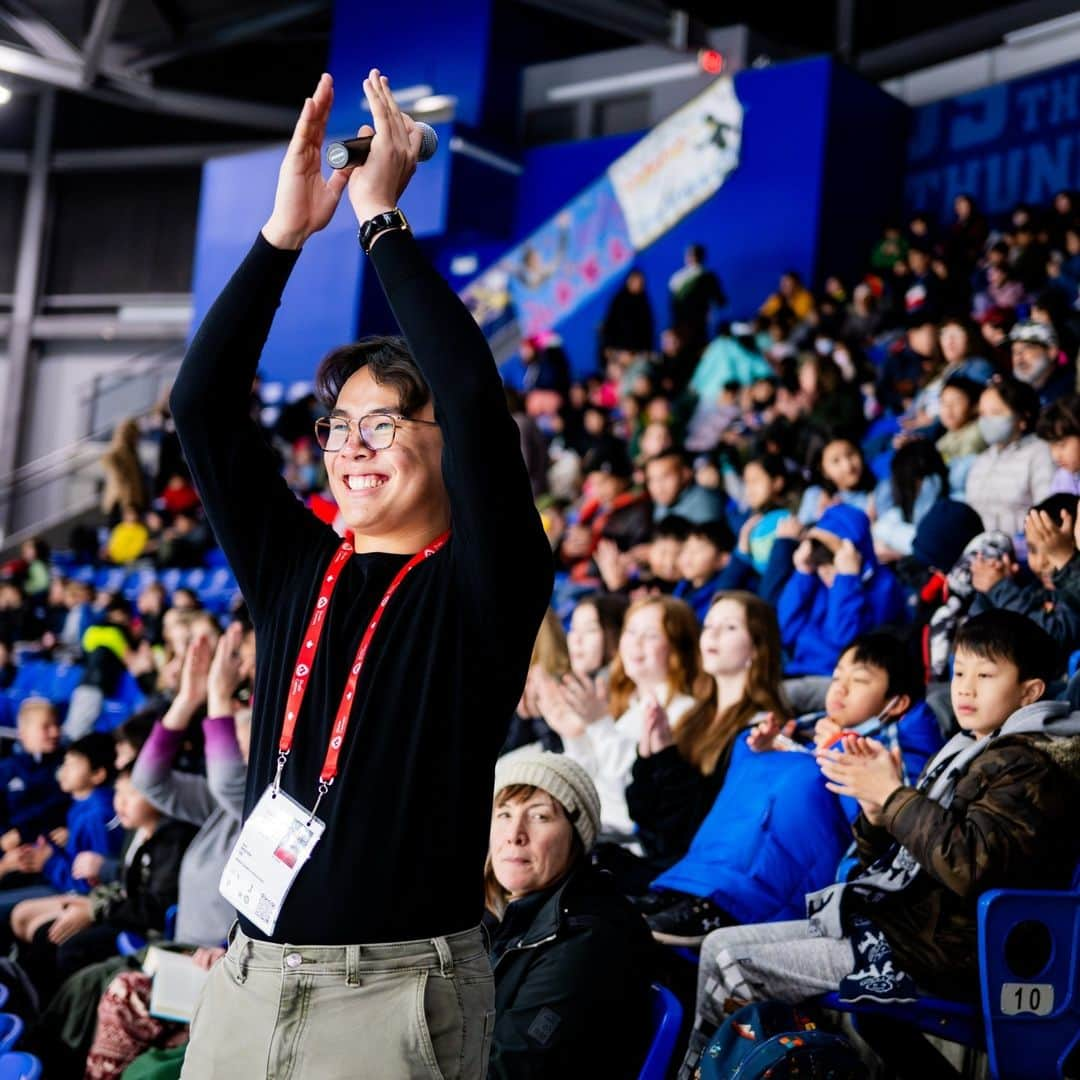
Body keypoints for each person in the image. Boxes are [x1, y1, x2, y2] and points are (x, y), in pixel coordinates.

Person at [170, 70, 551, 1076]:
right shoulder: (299, 565)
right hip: (248, 981)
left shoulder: (482, 582)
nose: (352, 446)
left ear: (439, 445)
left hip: (392, 996)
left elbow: (472, 394)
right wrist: (283, 235)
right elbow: (202, 405)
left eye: (385, 422)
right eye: (338, 425)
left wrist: (380, 219)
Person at [679, 611, 1080, 1079]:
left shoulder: (1030, 765)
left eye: (986, 675)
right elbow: (895, 864)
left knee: (732, 960)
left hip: (941, 953)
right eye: (959, 672)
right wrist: (875, 814)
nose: (966, 688)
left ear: (1030, 692)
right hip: (902, 929)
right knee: (717, 946)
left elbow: (970, 866)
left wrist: (894, 796)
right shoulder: (968, 750)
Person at [485, 752, 654, 1079]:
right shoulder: (511, 913)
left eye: (540, 817)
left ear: (577, 837)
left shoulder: (585, 939)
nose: (514, 833)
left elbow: (505, 1070)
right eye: (503, 814)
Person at [550, 597, 703, 838]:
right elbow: (587, 782)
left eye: (651, 635)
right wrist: (575, 736)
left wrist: (599, 724)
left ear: (677, 647)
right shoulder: (627, 705)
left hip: (621, 841)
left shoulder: (687, 712)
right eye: (631, 631)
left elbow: (630, 793)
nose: (636, 643)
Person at [966, 375, 1054, 538]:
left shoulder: (1040, 453)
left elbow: (1047, 512)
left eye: (996, 412)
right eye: (982, 414)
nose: (987, 420)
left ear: (1022, 417)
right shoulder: (981, 460)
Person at [668, 244, 727, 350]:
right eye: (690, 255)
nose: (691, 258)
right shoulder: (707, 276)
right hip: (691, 326)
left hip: (690, 326)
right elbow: (721, 301)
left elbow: (720, 301)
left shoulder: (676, 279)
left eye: (693, 255)